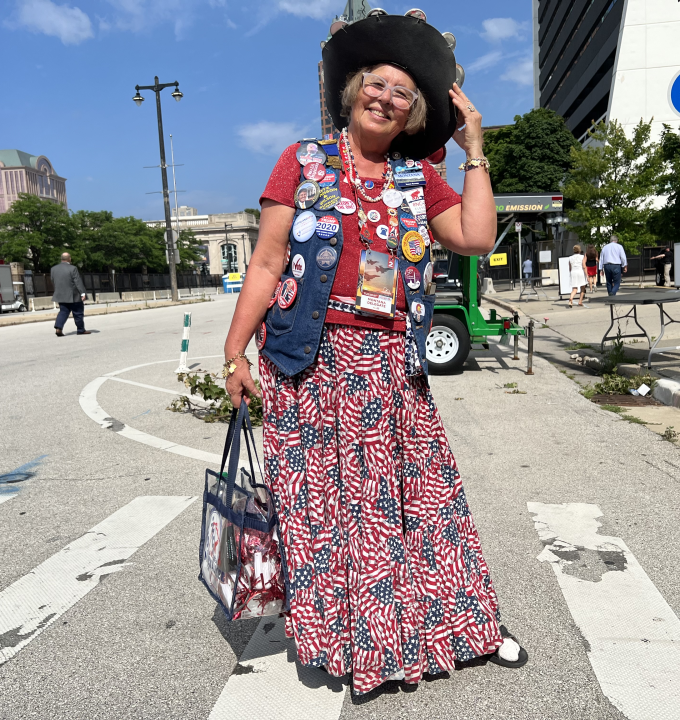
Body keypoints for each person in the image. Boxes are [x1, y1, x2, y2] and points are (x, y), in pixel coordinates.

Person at [221, 12, 527, 696]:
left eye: (404, 94)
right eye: (378, 85)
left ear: (415, 113)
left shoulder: (419, 180)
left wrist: (474, 145)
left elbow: (477, 236)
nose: (387, 98)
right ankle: (354, 643)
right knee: (326, 514)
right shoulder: (302, 161)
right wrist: (235, 354)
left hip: (391, 363)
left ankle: (460, 629)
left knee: (422, 503)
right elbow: (268, 263)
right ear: (355, 89)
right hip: (309, 360)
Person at [50, 252, 88, 336]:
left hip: (61, 295)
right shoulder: (73, 268)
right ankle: (81, 330)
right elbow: (77, 281)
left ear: (61, 259)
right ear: (69, 259)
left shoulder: (53, 269)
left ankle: (58, 328)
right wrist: (82, 293)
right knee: (78, 312)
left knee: (63, 311)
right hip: (73, 295)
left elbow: (53, 281)